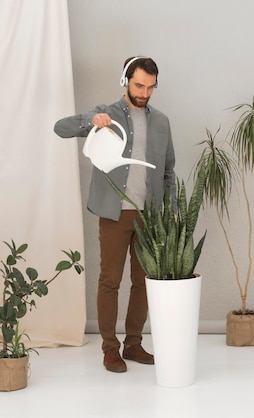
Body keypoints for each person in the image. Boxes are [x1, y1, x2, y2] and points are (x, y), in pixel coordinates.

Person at [54, 56, 176, 372]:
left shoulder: (161, 121)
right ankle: (110, 349)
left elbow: (168, 170)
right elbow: (60, 127)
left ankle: (133, 344)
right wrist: (90, 121)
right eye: (139, 85)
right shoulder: (105, 113)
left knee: (143, 281)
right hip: (114, 212)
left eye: (150, 87)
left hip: (149, 216)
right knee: (110, 280)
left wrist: (173, 210)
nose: (144, 92)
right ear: (125, 81)